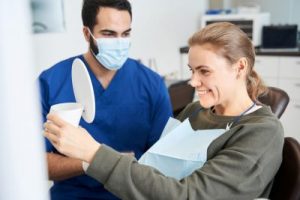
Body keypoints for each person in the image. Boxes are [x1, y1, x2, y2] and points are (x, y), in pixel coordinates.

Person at [44, 22, 284, 200]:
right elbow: (153, 171)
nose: (193, 82)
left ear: (240, 67)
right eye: (192, 70)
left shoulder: (262, 132)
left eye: (204, 71)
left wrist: (94, 153)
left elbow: (188, 195)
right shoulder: (194, 112)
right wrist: (88, 161)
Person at [38, 0, 172, 199]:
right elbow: (35, 163)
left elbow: (165, 162)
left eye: (125, 34)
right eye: (109, 34)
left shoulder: (151, 84)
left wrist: (99, 159)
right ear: (87, 34)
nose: (119, 42)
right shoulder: (51, 82)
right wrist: (96, 161)